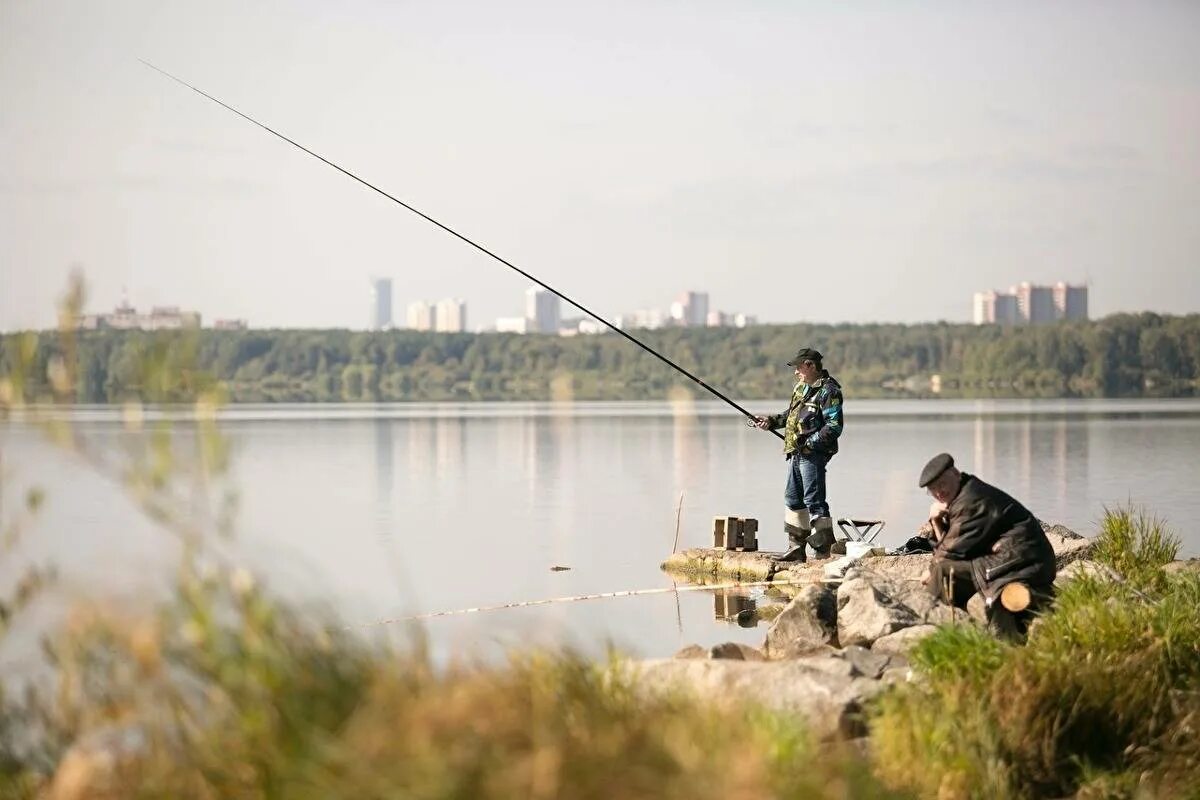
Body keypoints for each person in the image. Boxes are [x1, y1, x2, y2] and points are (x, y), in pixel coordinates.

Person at [918, 452, 1056, 639]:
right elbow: (951, 544)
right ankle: (950, 631)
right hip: (1010, 560)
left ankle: (926, 628)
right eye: (933, 489)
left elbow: (953, 550)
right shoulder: (963, 495)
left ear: (956, 474)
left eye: (942, 484)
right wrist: (936, 521)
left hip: (1023, 563)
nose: (939, 492)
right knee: (945, 572)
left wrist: (931, 569)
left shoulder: (972, 501)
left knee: (943, 571)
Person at [752, 347, 843, 562]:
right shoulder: (801, 388)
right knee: (793, 499)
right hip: (796, 453)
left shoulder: (829, 391)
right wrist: (771, 421)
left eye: (799, 367)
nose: (796, 372)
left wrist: (809, 443)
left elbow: (834, 427)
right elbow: (790, 416)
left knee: (815, 500)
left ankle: (823, 552)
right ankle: (796, 549)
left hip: (814, 454)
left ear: (811, 366)